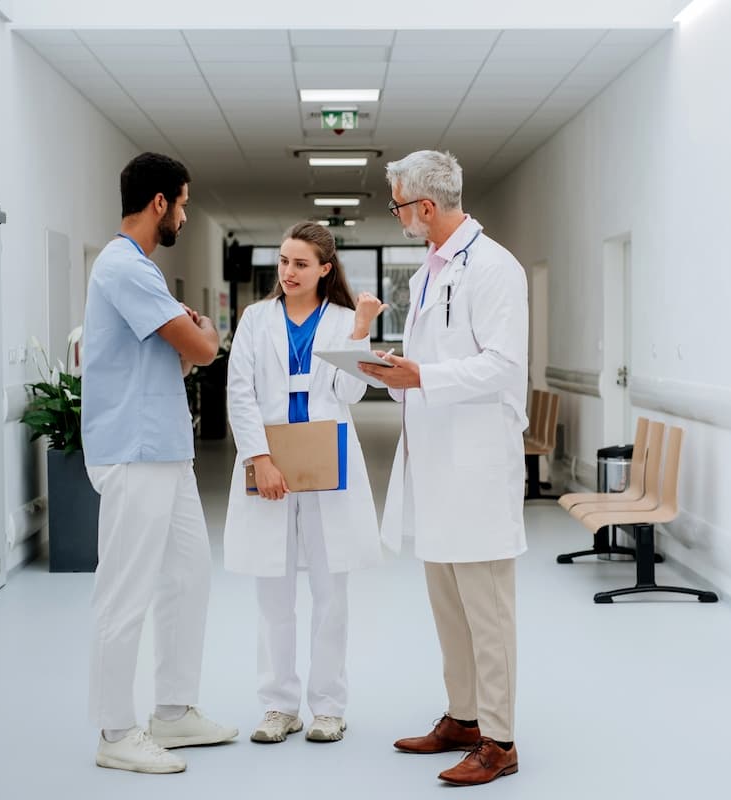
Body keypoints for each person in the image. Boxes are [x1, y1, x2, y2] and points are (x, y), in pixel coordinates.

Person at [359, 150, 529, 786]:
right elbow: (435, 360)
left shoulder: (494, 268)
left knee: (487, 610)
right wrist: (396, 371)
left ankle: (501, 740)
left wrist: (422, 374)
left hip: (477, 467)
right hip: (434, 464)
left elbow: (506, 366)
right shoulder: (429, 272)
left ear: (424, 207)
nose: (398, 215)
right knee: (449, 606)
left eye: (399, 205)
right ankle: (463, 718)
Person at [81, 152, 238, 775]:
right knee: (125, 591)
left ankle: (172, 713)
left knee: (189, 575)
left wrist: (194, 337)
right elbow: (201, 346)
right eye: (184, 203)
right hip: (134, 452)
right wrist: (204, 332)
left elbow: (169, 357)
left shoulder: (139, 270)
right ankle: (116, 730)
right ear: (159, 203)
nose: (185, 215)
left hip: (166, 452)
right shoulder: (125, 267)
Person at [223, 221, 387, 745]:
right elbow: (240, 393)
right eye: (284, 261)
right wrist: (259, 459)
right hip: (270, 458)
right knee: (273, 590)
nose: (288, 272)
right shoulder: (255, 319)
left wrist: (361, 329)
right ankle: (278, 706)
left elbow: (349, 392)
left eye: (300, 263)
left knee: (330, 589)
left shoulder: (341, 320)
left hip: (327, 460)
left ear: (324, 269)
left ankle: (328, 707)